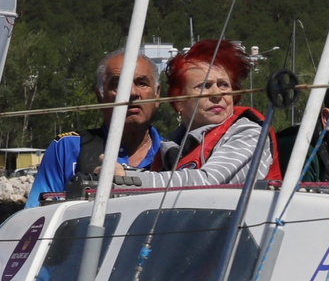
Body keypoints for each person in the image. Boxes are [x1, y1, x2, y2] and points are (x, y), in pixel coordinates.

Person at [115, 39, 280, 189]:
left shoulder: (249, 133)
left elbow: (207, 182)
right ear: (178, 101)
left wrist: (125, 179)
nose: (216, 94)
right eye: (204, 86)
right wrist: (116, 174)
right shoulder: (173, 146)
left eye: (223, 85)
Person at [27, 52, 170, 205]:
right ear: (100, 97)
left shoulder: (173, 154)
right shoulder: (67, 149)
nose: (132, 92)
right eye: (118, 84)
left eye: (142, 83)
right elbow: (35, 217)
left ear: (157, 95)